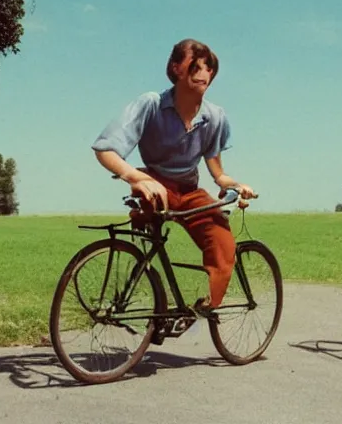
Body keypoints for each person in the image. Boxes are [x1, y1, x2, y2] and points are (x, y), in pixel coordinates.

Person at [91, 38, 255, 313]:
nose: (205, 73)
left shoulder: (215, 117)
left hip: (190, 191)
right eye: (197, 65)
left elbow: (218, 173)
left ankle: (205, 308)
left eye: (210, 67)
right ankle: (150, 291)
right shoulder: (151, 104)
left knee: (224, 246)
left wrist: (237, 186)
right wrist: (136, 178)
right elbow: (105, 149)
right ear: (177, 68)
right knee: (152, 213)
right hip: (156, 183)